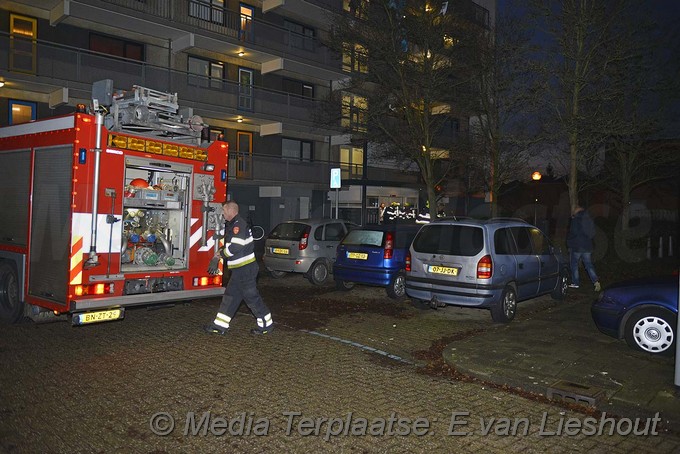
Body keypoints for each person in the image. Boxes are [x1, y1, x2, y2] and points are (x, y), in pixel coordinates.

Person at [204, 200, 274, 335]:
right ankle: (219, 326)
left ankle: (266, 325)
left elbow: (236, 246)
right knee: (230, 297)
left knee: (251, 298)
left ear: (231, 210)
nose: (223, 214)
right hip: (239, 271)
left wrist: (221, 255)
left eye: (224, 211)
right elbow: (232, 244)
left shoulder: (238, 225)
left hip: (245, 270)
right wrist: (220, 252)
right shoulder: (235, 225)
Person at [566, 205, 601, 292]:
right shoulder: (589, 219)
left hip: (577, 246)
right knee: (589, 265)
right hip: (587, 246)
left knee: (574, 265)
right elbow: (593, 233)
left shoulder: (575, 220)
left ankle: (576, 283)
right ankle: (596, 282)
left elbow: (572, 232)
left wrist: (569, 243)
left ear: (576, 211)